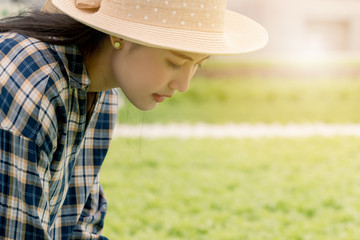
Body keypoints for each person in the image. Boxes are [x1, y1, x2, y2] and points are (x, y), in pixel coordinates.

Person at [0, 0, 268, 239]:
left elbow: (78, 225)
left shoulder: (103, 96)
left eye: (198, 64)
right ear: (120, 35)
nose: (184, 84)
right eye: (175, 62)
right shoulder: (32, 78)